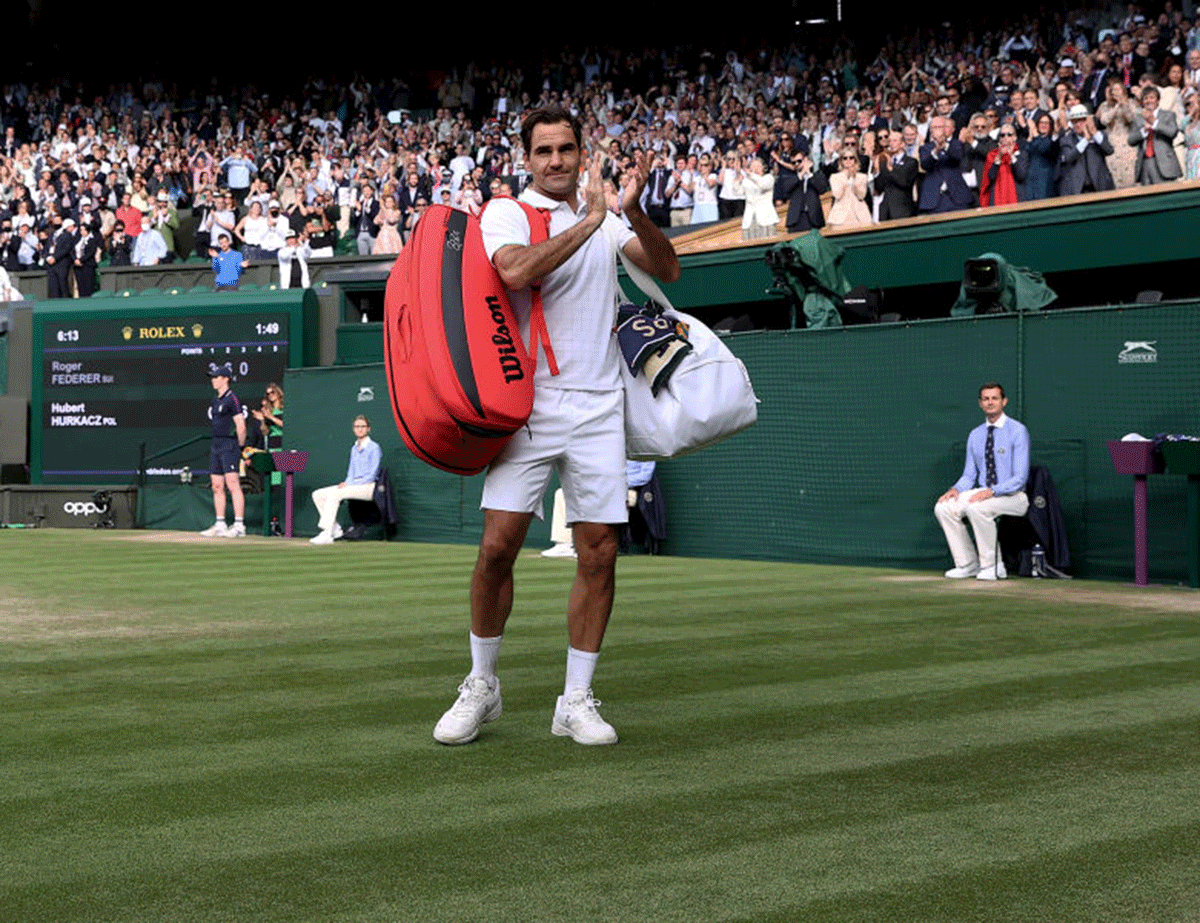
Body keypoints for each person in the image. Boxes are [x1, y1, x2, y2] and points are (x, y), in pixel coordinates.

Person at [433, 106, 680, 747]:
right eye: (543, 151)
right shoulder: (508, 212)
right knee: (497, 549)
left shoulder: (605, 212)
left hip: (600, 407)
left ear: (580, 150)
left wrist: (636, 212)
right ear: (527, 157)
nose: (556, 161)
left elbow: (666, 271)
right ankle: (483, 686)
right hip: (528, 405)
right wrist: (594, 221)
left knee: (599, 552)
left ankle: (575, 699)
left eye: (566, 149)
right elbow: (516, 270)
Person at [934, 382, 1031, 581]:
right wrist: (955, 489)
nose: (990, 402)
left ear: (1004, 402)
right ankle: (967, 564)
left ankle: (993, 566)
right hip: (983, 493)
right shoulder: (975, 435)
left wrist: (993, 491)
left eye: (994, 398)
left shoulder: (1018, 431)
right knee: (943, 507)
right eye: (986, 399)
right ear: (980, 403)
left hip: (1014, 497)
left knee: (977, 508)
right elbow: (969, 475)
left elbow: (1020, 478)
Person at [309, 415, 381, 545]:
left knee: (335, 494)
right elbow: (351, 471)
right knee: (318, 494)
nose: (359, 429)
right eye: (357, 426)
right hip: (353, 485)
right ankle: (336, 530)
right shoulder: (354, 448)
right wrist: (347, 482)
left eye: (362, 426)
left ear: (368, 429)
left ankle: (326, 533)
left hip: (368, 487)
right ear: (354, 429)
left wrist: (350, 484)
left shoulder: (374, 447)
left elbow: (372, 474)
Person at [201, 362, 247, 538]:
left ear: (225, 379)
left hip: (230, 445)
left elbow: (241, 426)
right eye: (212, 377)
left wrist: (240, 448)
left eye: (216, 377)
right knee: (217, 486)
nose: (213, 380)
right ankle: (220, 523)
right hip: (216, 445)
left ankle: (239, 525)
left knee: (233, 484)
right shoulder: (216, 400)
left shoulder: (232, 398)